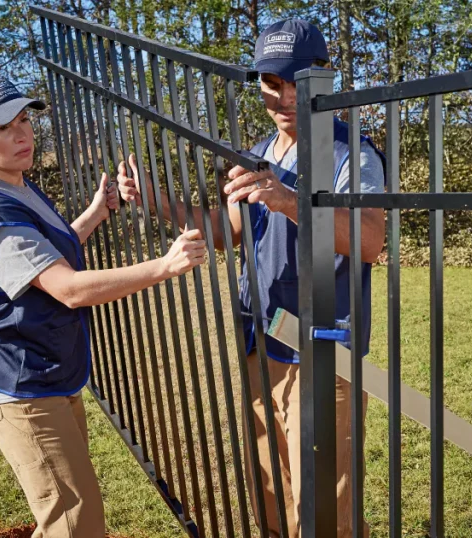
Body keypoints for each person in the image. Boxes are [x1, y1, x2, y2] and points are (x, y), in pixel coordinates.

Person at [117, 20, 385, 538]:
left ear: (324, 76)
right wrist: (158, 203)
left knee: (321, 504)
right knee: (273, 487)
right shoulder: (263, 151)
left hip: (323, 345)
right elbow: (227, 230)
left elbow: (371, 239)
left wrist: (289, 201)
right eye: (271, 82)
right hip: (263, 338)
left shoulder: (349, 151)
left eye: (297, 80)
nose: (283, 96)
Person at [0, 75, 206, 538]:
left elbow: (43, 252)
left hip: (52, 377)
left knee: (69, 516)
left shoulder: (17, 189)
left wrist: (92, 216)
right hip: (24, 391)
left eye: (24, 119)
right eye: (2, 127)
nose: (22, 134)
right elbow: (67, 287)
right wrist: (164, 266)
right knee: (75, 523)